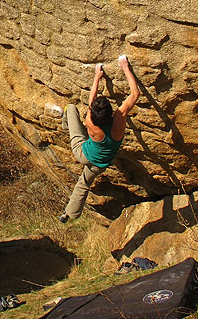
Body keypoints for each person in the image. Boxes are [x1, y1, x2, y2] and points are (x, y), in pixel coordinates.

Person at [59, 54, 140, 223]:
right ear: (110, 113)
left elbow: (91, 100)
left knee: (71, 108)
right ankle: (69, 214)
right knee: (83, 184)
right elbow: (135, 93)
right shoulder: (119, 118)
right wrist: (125, 67)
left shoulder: (90, 122)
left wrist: (97, 76)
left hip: (82, 153)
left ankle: (65, 124)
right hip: (99, 164)